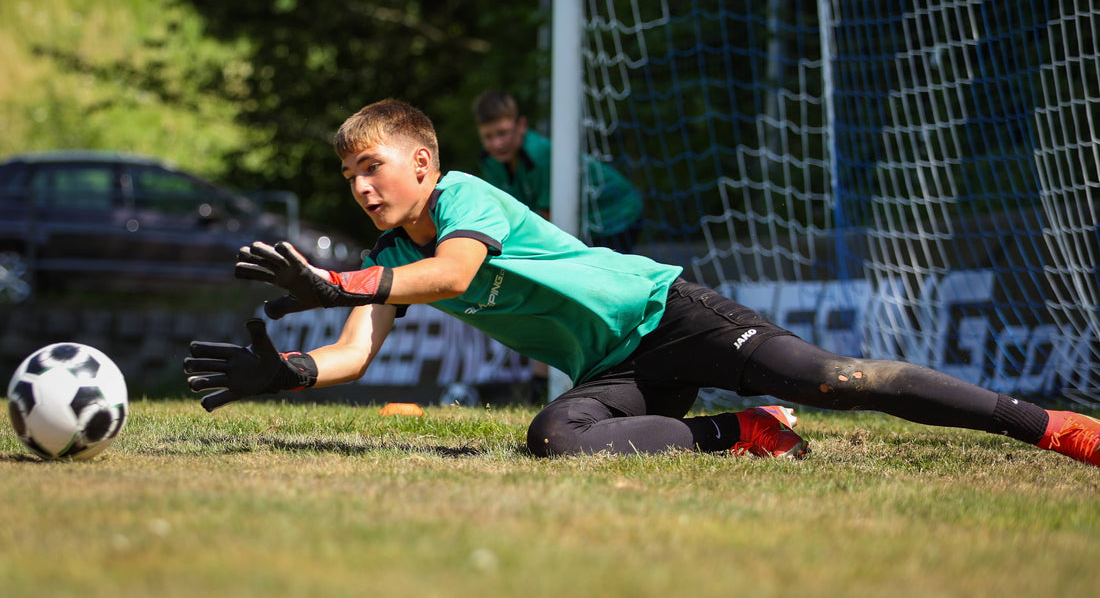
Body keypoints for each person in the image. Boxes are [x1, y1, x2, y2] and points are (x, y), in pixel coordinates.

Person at [184, 98, 1100, 467]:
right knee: (554, 437)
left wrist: (335, 279)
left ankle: (1051, 425)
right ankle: (737, 431)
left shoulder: (466, 196)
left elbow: (454, 271)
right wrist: (292, 373)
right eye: (350, 176)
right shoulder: (387, 265)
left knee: (833, 380)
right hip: (622, 366)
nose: (362, 185)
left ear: (423, 162)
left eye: (374, 166)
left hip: (673, 314)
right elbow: (354, 352)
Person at [473, 90, 643, 253]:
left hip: (618, 214)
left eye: (503, 133)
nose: (497, 143)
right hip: (583, 223)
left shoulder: (541, 156)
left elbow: (550, 222)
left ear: (522, 126)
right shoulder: (489, 161)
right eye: (488, 136)